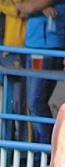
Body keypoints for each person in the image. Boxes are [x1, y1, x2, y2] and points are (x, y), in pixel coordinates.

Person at [19, 0, 65, 144]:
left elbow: (29, 6)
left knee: (36, 102)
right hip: (33, 47)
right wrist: (34, 8)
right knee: (33, 103)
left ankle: (52, 150)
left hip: (48, 50)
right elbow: (20, 9)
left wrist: (34, 8)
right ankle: (44, 150)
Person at [0, 0, 28, 141]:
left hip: (19, 48)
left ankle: (22, 149)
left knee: (19, 101)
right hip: (7, 48)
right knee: (7, 101)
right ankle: (7, 143)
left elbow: (26, 9)